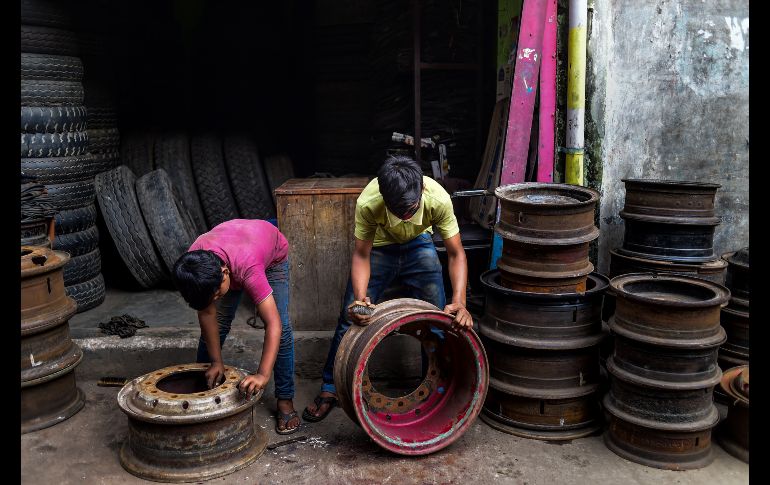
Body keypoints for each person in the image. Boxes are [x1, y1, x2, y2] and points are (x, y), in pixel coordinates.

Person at [303, 155, 472, 422]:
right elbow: (361, 254)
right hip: (380, 248)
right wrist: (360, 301)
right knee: (350, 321)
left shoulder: (438, 198)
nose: (405, 217)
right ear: (384, 198)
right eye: (398, 212)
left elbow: (456, 253)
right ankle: (330, 388)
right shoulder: (369, 202)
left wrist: (460, 301)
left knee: (438, 320)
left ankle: (438, 389)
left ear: (422, 191)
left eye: (411, 210)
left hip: (419, 245)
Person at [171, 219, 299, 435]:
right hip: (236, 245)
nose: (218, 298)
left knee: (283, 329)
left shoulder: (248, 268)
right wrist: (216, 361)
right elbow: (207, 312)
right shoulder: (193, 265)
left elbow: (273, 325)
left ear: (225, 273)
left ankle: (285, 400)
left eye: (218, 294)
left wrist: (262, 375)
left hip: (270, 252)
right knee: (217, 323)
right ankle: (204, 388)